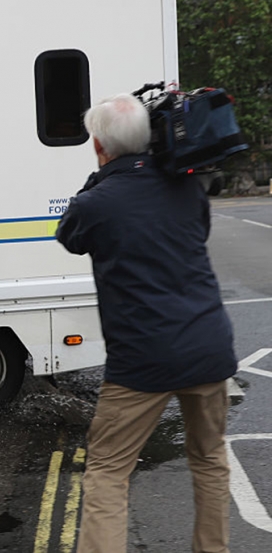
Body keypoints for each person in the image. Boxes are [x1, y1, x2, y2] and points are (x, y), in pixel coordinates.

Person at [55, 94, 237, 553]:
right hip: (209, 345)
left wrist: (101, 174)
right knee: (211, 459)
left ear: (99, 145)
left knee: (109, 471)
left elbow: (69, 237)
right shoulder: (187, 187)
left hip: (142, 359)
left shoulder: (95, 203)